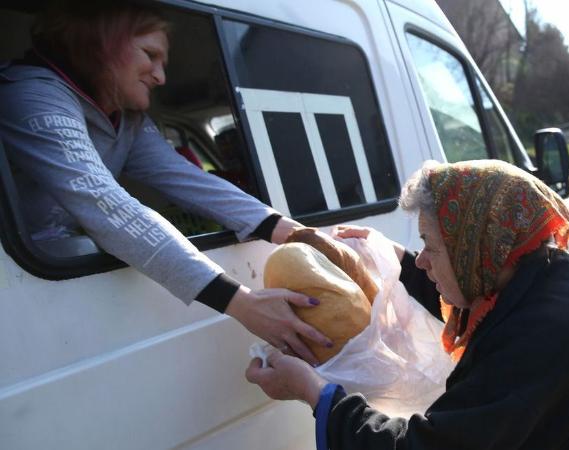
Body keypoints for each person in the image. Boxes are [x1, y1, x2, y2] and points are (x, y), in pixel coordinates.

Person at [0, 1, 331, 365]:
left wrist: (295, 232)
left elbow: (189, 181)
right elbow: (105, 204)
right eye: (150, 55)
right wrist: (241, 303)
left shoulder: (125, 119)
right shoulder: (31, 94)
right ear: (99, 42)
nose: (160, 77)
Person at [245, 159, 569, 449]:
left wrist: (316, 393)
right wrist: (392, 258)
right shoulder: (539, 274)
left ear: (476, 249)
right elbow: (470, 298)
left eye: (431, 247)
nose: (422, 260)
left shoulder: (544, 335)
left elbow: (430, 448)